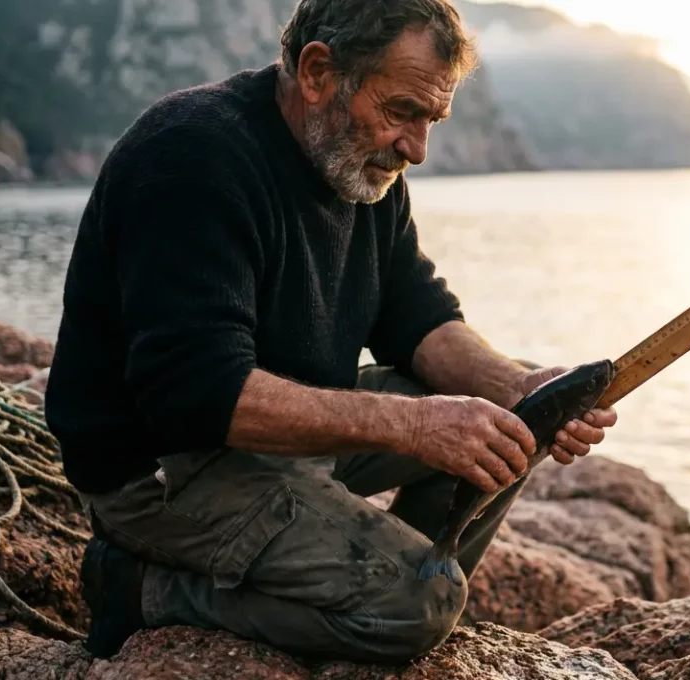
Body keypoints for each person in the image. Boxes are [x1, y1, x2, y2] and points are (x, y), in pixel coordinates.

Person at [43, 0, 618, 663]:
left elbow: (416, 316)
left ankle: (370, 584)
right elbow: (196, 392)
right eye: (403, 111)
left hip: (278, 434)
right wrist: (418, 426)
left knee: (507, 425)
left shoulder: (362, 166)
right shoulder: (192, 155)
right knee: (419, 606)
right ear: (318, 71)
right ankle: (141, 587)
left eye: (430, 120)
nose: (418, 148)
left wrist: (519, 387)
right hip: (162, 468)